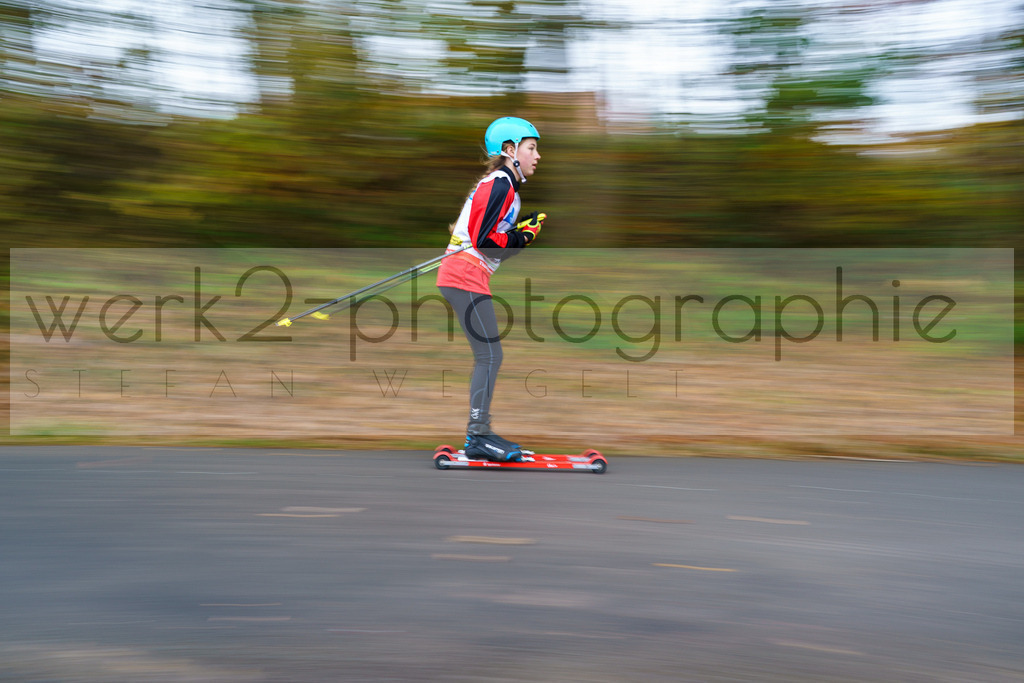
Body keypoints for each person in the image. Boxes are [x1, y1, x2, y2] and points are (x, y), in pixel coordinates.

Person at [436, 116, 545, 462]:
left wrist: (518, 236)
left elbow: (492, 245)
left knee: (489, 356)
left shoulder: (503, 186)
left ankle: (478, 432)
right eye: (531, 148)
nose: (537, 155)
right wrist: (521, 237)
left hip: (469, 275)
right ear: (510, 151)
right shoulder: (501, 184)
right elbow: (486, 242)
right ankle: (477, 435)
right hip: (462, 276)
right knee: (490, 356)